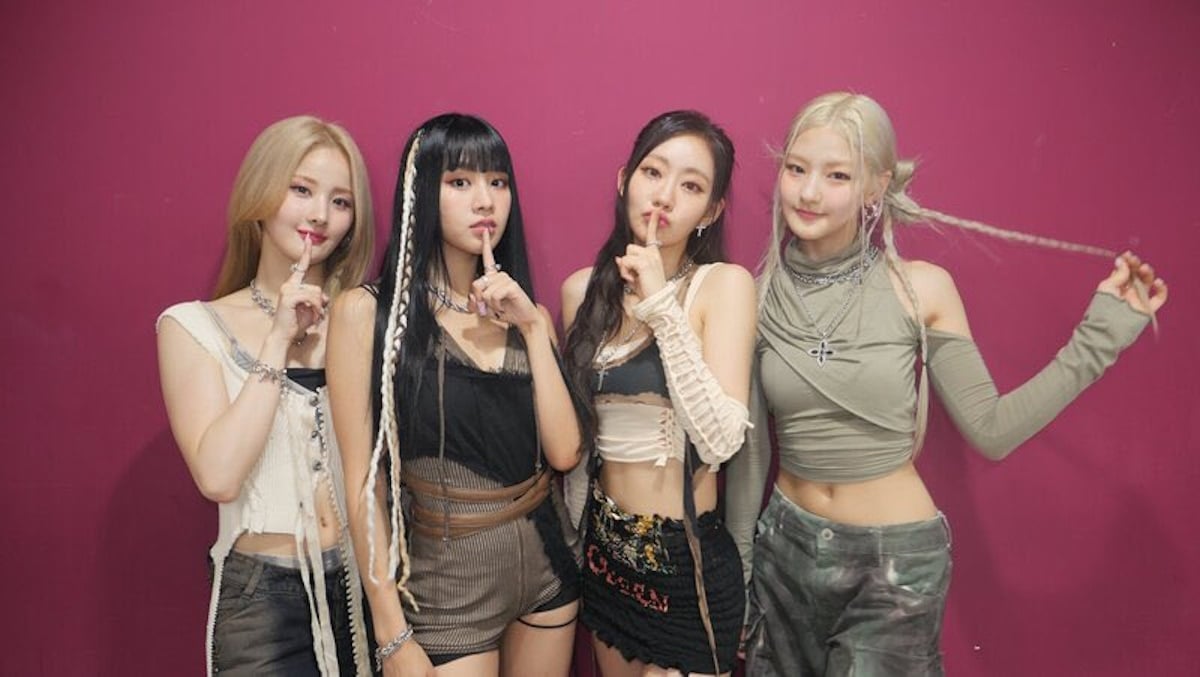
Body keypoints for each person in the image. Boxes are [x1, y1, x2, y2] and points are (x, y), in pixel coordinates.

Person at [725, 91, 1169, 676]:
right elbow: (751, 454)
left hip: (892, 567)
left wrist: (1100, 338)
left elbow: (991, 430)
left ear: (876, 187)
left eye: (837, 175)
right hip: (783, 553)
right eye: (796, 168)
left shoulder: (920, 289)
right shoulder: (756, 298)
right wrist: (738, 577)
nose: (808, 192)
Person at [327, 113, 585, 677]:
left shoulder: (529, 315)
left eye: (498, 181)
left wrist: (533, 328)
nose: (485, 200)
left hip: (547, 567)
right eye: (460, 181)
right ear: (421, 191)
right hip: (445, 586)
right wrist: (391, 632)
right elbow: (362, 482)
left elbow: (565, 453)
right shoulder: (367, 313)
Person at [157, 115, 376, 675]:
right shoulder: (192, 326)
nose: (320, 215)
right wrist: (277, 339)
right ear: (260, 193)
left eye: (341, 201)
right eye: (301, 190)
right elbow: (219, 477)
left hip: (363, 587)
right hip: (262, 600)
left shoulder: (362, 319)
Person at [561, 110, 757, 677]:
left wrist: (661, 307)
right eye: (653, 172)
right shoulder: (580, 292)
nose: (665, 196)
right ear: (625, 180)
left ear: (711, 211)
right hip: (607, 559)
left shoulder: (724, 285)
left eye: (691, 186)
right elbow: (580, 446)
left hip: (685, 562)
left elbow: (719, 442)